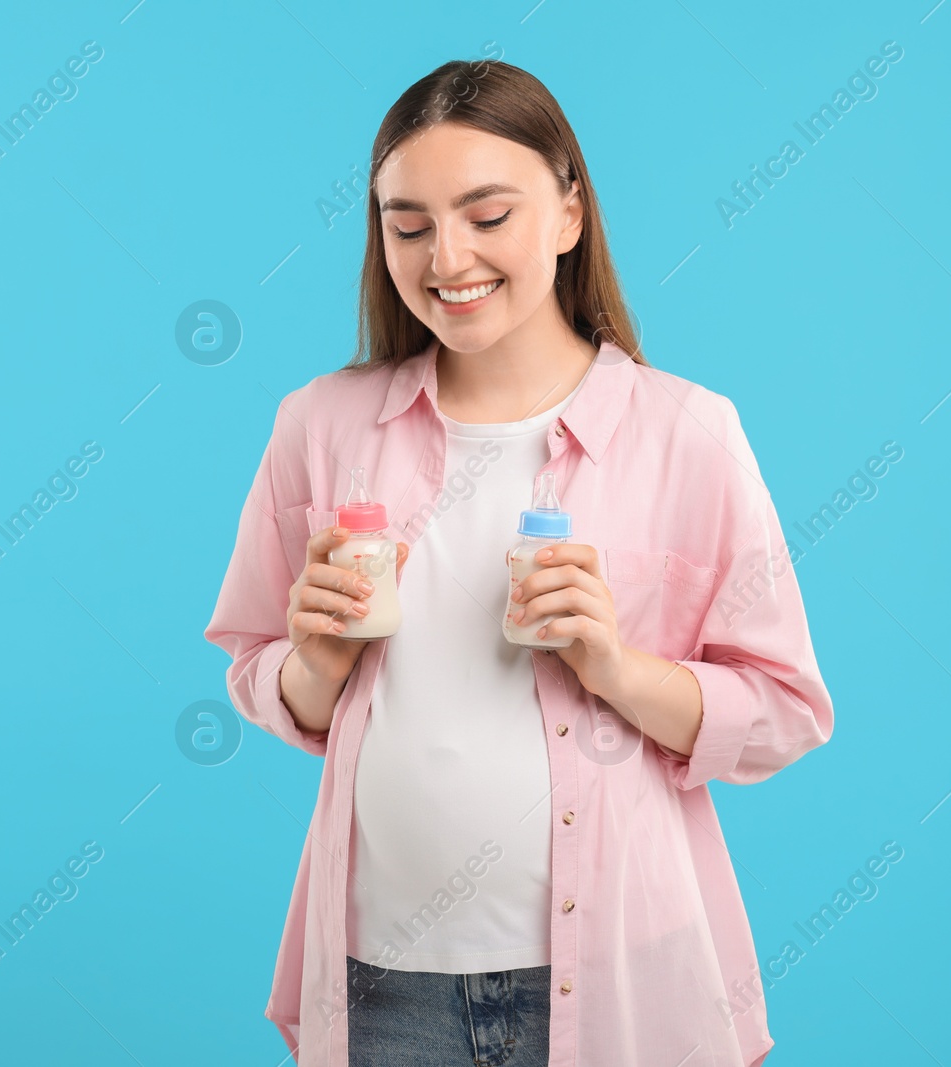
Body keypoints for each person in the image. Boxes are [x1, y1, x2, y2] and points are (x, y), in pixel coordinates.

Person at [204, 57, 834, 1067]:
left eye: (487, 215)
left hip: (621, 971)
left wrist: (618, 669)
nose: (446, 257)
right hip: (383, 980)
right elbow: (253, 663)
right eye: (407, 225)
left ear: (568, 213)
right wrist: (311, 665)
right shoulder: (319, 424)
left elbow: (785, 710)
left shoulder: (688, 433)